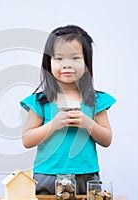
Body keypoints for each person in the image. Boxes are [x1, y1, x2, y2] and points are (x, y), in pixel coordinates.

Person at [20, 25, 116, 195]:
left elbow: (107, 139)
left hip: (86, 176)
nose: (67, 65)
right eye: (59, 58)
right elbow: (27, 140)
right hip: (48, 175)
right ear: (48, 63)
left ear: (86, 62)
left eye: (75, 58)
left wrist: (87, 122)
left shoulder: (96, 100)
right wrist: (54, 124)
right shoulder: (40, 101)